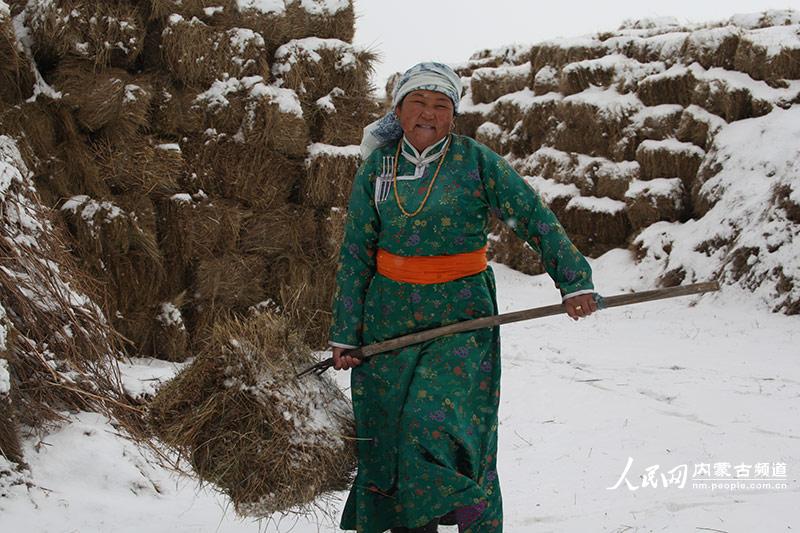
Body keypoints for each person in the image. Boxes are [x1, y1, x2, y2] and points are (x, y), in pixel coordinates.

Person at [328, 62, 596, 533]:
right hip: (388, 314)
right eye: (418, 103)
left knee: (431, 423)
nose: (428, 114)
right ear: (399, 109)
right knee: (386, 432)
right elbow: (355, 252)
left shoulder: (475, 161)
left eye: (440, 105)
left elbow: (532, 216)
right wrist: (346, 332)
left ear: (453, 113)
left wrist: (574, 279)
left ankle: (466, 504)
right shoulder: (378, 167)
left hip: (461, 313)